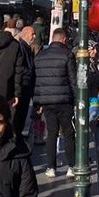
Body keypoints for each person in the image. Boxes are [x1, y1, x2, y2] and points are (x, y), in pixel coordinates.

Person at [32, 27, 76, 178]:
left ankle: (51, 167)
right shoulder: (67, 55)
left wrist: (37, 102)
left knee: (51, 133)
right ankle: (71, 166)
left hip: (47, 101)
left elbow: (36, 81)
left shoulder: (40, 56)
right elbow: (73, 80)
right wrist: (77, 100)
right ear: (64, 39)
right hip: (64, 100)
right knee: (69, 133)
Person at [13, 26, 37, 138]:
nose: (34, 37)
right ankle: (15, 135)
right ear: (25, 34)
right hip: (22, 85)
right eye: (32, 34)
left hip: (26, 86)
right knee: (18, 114)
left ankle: (18, 134)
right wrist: (29, 72)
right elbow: (20, 67)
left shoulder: (27, 47)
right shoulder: (20, 47)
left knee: (22, 113)